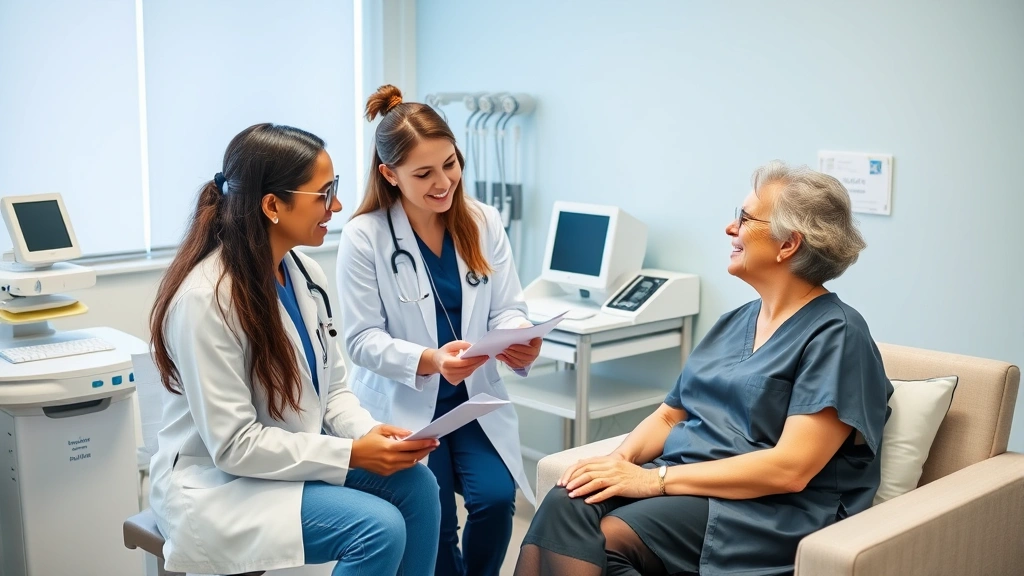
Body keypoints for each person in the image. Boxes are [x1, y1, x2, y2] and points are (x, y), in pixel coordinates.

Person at [514, 161, 894, 576]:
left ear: (789, 245)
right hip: (690, 483)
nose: (730, 230)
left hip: (766, 510)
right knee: (566, 497)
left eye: (745, 219)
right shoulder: (734, 322)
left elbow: (790, 469)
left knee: (607, 542)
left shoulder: (838, 334)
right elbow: (669, 414)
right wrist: (618, 463)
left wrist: (651, 481)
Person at [147, 123, 441, 576]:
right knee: (379, 528)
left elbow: (335, 390)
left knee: (418, 485)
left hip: (285, 457)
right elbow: (234, 446)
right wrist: (352, 455)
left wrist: (369, 436)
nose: (337, 206)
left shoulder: (304, 274)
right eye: (324, 193)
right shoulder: (206, 301)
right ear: (272, 206)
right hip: (218, 482)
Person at [337, 85, 541, 576]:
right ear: (390, 174)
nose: (443, 182)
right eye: (423, 173)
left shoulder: (482, 220)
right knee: (438, 521)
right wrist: (431, 360)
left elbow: (508, 308)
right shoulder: (365, 237)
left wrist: (519, 337)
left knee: (495, 500)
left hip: (474, 398)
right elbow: (362, 339)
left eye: (450, 164)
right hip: (405, 405)